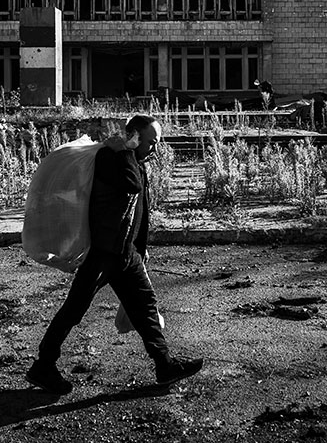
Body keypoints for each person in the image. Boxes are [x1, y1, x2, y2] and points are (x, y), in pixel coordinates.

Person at [26, 114, 203, 395]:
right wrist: (123, 150)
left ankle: (165, 365)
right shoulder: (112, 159)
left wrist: (140, 250)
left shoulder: (131, 160)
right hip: (103, 253)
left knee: (145, 308)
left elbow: (140, 211)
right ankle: (43, 366)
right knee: (74, 310)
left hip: (126, 253)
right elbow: (131, 184)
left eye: (157, 143)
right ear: (133, 137)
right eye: (150, 142)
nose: (154, 149)